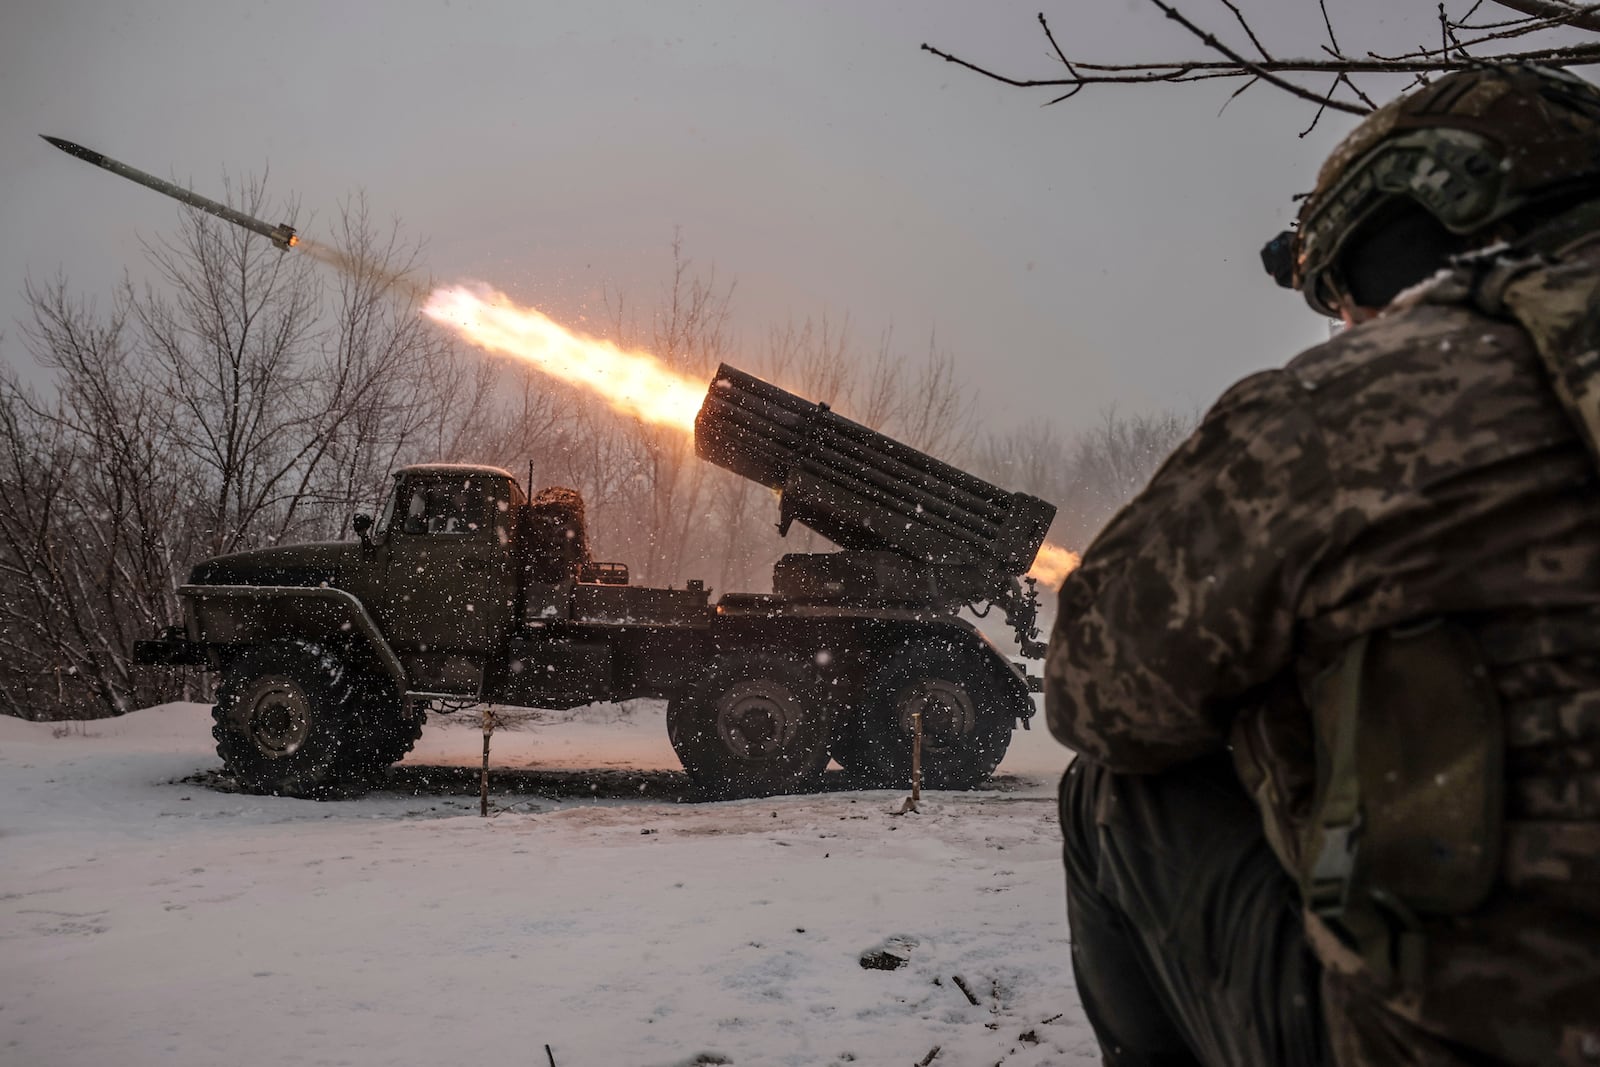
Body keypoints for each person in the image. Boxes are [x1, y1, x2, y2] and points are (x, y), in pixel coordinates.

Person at [1045, 64, 1600, 1067]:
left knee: (1114, 790)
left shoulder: (1354, 408)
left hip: (1458, 1041)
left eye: (1339, 298)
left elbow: (1098, 690)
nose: (1340, 328)